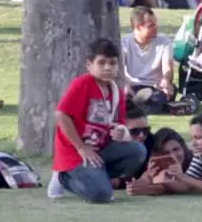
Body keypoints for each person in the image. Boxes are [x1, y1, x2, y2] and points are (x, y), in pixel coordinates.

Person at [47, 38, 147, 203]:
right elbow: (61, 115)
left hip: (100, 150)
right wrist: (81, 147)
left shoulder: (116, 90)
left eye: (113, 63)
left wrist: (122, 132)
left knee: (138, 151)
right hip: (77, 153)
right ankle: (64, 177)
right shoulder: (83, 83)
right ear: (89, 65)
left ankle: (96, 176)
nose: (108, 67)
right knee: (102, 196)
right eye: (101, 63)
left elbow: (119, 123)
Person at [121, 6, 175, 112]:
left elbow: (167, 68)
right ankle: (140, 104)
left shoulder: (164, 42)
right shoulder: (125, 42)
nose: (156, 28)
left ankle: (135, 105)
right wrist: (125, 85)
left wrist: (166, 80)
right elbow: (120, 70)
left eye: (156, 24)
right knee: (124, 95)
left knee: (162, 96)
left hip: (155, 86)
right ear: (138, 27)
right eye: (151, 26)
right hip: (134, 85)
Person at [126, 128, 193, 197]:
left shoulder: (194, 160)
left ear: (183, 147)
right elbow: (146, 177)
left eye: (176, 149)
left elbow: (188, 185)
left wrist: (151, 188)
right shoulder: (162, 162)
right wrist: (136, 185)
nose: (173, 156)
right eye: (166, 153)